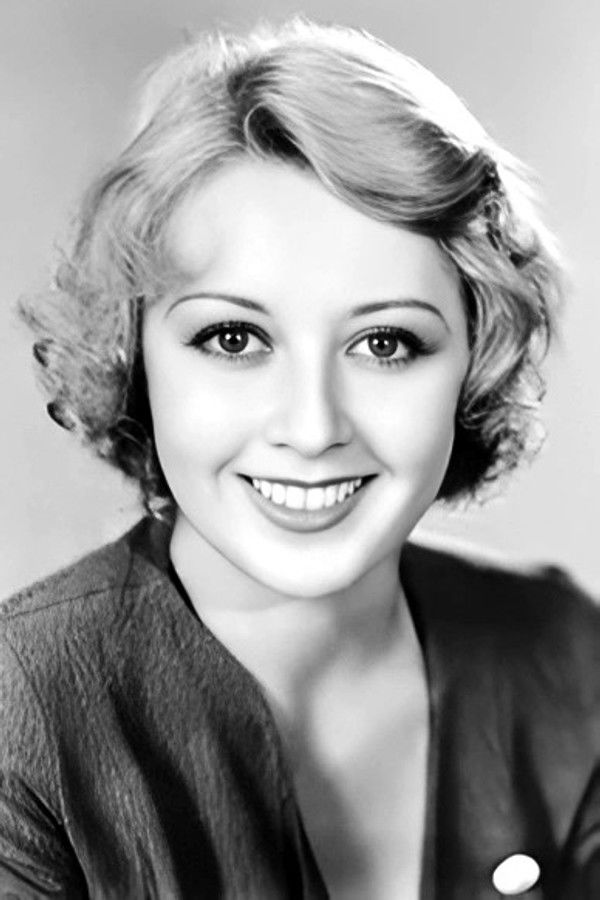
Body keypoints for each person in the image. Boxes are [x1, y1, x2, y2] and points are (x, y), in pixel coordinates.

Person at [1, 15, 598, 900]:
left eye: (386, 343)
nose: (313, 428)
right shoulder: (20, 713)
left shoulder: (564, 653)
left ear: (475, 362)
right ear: (135, 358)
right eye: (234, 338)